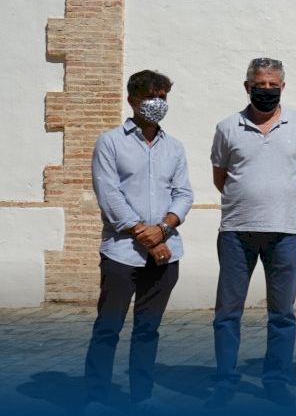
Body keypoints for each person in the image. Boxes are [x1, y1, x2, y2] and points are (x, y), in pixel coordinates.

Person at [206, 58, 296, 408]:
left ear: (282, 87)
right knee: (228, 313)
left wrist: (282, 199)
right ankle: (225, 381)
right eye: (260, 84)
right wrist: (250, 198)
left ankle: (276, 381)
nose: (266, 90)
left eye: (273, 85)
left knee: (282, 314)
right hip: (236, 232)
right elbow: (221, 177)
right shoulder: (227, 127)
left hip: (285, 232)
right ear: (247, 87)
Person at [84, 70, 193, 413]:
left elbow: (184, 193)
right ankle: (96, 396)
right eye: (150, 96)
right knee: (108, 327)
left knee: (148, 329)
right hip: (122, 253)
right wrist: (146, 236)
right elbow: (109, 194)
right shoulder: (110, 142)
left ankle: (142, 396)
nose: (157, 103)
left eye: (162, 97)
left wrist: (164, 228)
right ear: (132, 99)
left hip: (166, 253)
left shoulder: (174, 147)